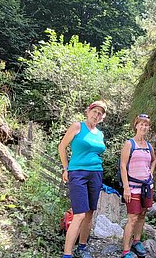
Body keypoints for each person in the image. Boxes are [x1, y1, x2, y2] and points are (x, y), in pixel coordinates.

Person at [58, 100, 107, 258]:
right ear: (88, 111)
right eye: (94, 111)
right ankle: (67, 253)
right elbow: (62, 146)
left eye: (100, 113)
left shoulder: (100, 134)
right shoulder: (77, 126)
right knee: (79, 213)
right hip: (77, 173)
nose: (96, 115)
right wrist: (66, 168)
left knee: (90, 212)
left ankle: (83, 246)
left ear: (102, 117)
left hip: (96, 173)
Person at [120, 114, 156, 258]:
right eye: (141, 124)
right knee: (132, 218)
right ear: (136, 126)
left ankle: (137, 241)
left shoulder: (148, 146)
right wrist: (126, 187)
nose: (144, 127)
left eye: (146, 125)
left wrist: (151, 173)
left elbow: (154, 160)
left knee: (142, 214)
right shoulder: (130, 144)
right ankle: (126, 250)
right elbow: (123, 166)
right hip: (133, 187)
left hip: (146, 186)